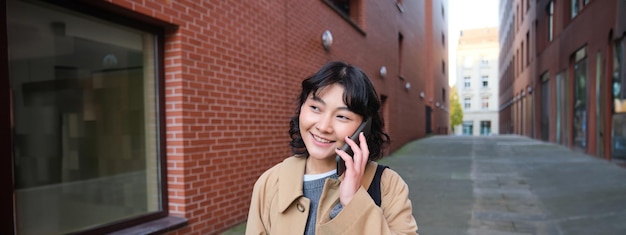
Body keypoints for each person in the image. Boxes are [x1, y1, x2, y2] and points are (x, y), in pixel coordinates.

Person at [245, 61, 418, 235]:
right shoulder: (270, 182)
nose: (323, 126)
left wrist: (353, 203)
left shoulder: (387, 185)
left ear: (364, 128)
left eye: (342, 116)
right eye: (315, 108)